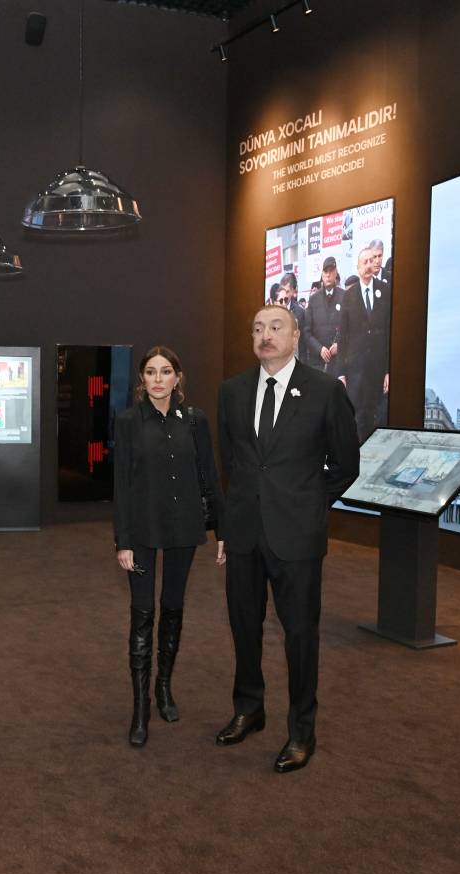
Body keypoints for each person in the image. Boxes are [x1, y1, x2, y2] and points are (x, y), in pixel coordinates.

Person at [215, 305, 359, 773]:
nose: (266, 334)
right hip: (244, 532)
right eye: (258, 328)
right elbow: (232, 462)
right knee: (244, 626)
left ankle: (301, 731)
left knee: (299, 634)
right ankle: (249, 708)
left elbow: (346, 465)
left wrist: (310, 504)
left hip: (296, 536)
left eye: (276, 327)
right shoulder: (232, 391)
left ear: (297, 336)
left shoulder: (324, 391)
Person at [113, 346, 224, 747]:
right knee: (143, 614)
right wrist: (123, 541)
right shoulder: (128, 422)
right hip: (142, 530)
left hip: (183, 528)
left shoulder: (195, 420)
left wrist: (222, 528)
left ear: (178, 377)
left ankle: (163, 688)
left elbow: (209, 475)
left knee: (173, 607)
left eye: (165, 372)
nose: (158, 379)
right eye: (150, 372)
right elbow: (122, 485)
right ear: (142, 379)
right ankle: (140, 707)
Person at [336, 244, 392, 442]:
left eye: (371, 260)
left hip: (377, 372)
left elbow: (389, 333)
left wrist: (388, 370)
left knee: (378, 421)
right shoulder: (348, 296)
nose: (369, 265)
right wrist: (341, 373)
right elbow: (342, 336)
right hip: (356, 373)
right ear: (358, 267)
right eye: (365, 262)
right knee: (358, 420)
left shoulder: (385, 291)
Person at [305, 255, 343, 373]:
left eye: (331, 271)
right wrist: (319, 349)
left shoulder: (345, 297)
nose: (328, 275)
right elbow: (306, 332)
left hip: (339, 364)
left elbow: (351, 329)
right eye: (325, 271)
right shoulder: (313, 299)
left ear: (336, 273)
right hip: (317, 364)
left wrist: (340, 345)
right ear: (322, 274)